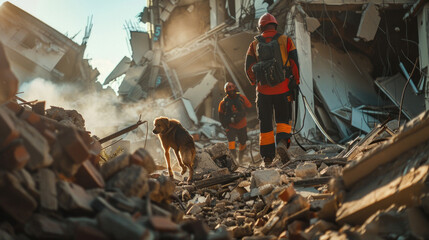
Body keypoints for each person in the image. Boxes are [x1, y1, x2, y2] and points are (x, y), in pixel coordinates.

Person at [244, 13, 300, 167]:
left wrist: (255, 82)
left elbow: (248, 67)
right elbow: (294, 62)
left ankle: (267, 158)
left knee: (265, 125)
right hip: (283, 89)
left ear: (261, 27)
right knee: (283, 118)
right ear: (275, 25)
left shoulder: (254, 44)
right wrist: (295, 81)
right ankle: (282, 142)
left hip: (263, 92)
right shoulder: (286, 40)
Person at [218, 82, 252, 163]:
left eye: (231, 88)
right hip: (230, 126)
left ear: (235, 88)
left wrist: (242, 114)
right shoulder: (223, 102)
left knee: (243, 142)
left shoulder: (242, 98)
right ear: (226, 91)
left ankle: (240, 159)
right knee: (231, 143)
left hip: (242, 124)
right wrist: (225, 125)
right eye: (228, 89)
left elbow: (250, 108)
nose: (231, 90)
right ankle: (234, 159)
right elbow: (221, 115)